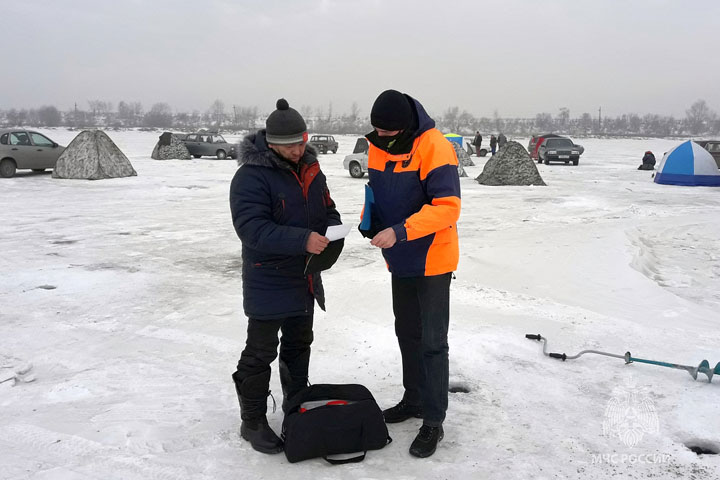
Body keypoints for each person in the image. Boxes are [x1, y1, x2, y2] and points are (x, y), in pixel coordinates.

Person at [229, 98, 341, 454]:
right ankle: (253, 421)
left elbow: (326, 206)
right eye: (289, 144)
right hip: (268, 277)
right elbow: (252, 229)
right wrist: (302, 238)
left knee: (298, 345)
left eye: (301, 141)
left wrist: (334, 228)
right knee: (261, 352)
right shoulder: (250, 176)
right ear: (270, 144)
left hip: (305, 275)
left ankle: (297, 405)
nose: (297, 149)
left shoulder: (311, 167)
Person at [360, 89, 461, 458]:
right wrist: (369, 221)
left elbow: (448, 208)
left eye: (388, 133)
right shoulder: (377, 145)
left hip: (433, 258)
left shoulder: (435, 146)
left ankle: (433, 419)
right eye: (377, 132)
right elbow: (378, 194)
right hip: (400, 258)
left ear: (404, 127)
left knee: (433, 342)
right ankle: (414, 399)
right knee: (407, 332)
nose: (381, 138)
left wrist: (400, 230)